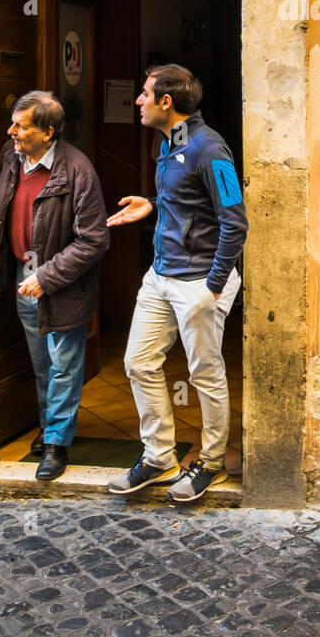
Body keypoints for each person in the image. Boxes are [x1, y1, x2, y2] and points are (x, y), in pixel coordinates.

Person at [106, 63, 247, 502]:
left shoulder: (210, 148)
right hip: (160, 277)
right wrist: (151, 204)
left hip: (199, 282)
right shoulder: (170, 142)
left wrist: (214, 285)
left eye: (145, 94)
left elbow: (234, 221)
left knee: (204, 374)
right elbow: (186, 200)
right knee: (138, 362)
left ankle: (209, 462)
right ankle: (159, 457)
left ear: (167, 102)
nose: (138, 101)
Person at [0, 92, 110, 481]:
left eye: (21, 125)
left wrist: (46, 277)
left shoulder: (78, 170)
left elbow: (94, 240)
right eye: (13, 123)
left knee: (64, 364)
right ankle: (48, 428)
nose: (10, 131)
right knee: (42, 362)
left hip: (63, 283)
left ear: (48, 132)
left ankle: (56, 444)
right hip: (23, 274)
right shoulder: (10, 156)